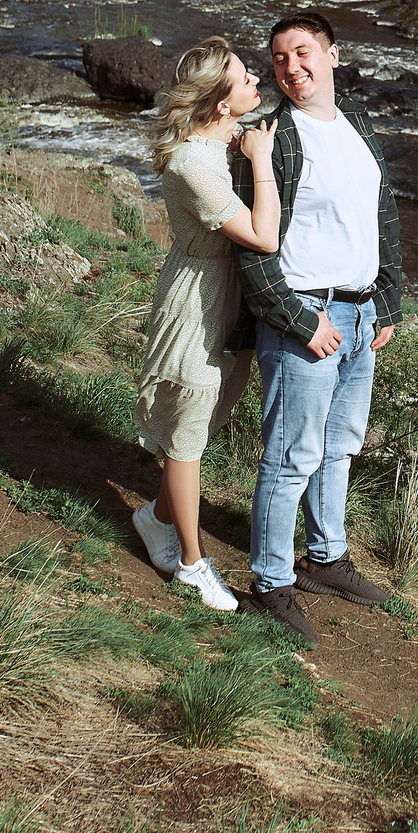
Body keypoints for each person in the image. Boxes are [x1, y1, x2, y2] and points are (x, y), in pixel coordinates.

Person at [234, 10, 401, 646]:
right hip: (305, 315)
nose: (291, 68)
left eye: (303, 53)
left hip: (360, 315)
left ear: (333, 55)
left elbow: (382, 217)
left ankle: (326, 561)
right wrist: (300, 319)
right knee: (292, 454)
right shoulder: (271, 135)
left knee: (341, 446)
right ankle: (271, 584)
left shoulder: (359, 125)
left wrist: (386, 302)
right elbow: (254, 243)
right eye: (279, 59)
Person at [129, 36, 278, 611]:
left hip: (226, 297)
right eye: (245, 79)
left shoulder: (218, 146)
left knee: (205, 418)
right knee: (189, 426)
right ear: (221, 103)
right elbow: (262, 237)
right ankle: (193, 564)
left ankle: (155, 517)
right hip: (195, 299)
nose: (256, 83)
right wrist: (260, 163)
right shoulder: (194, 163)